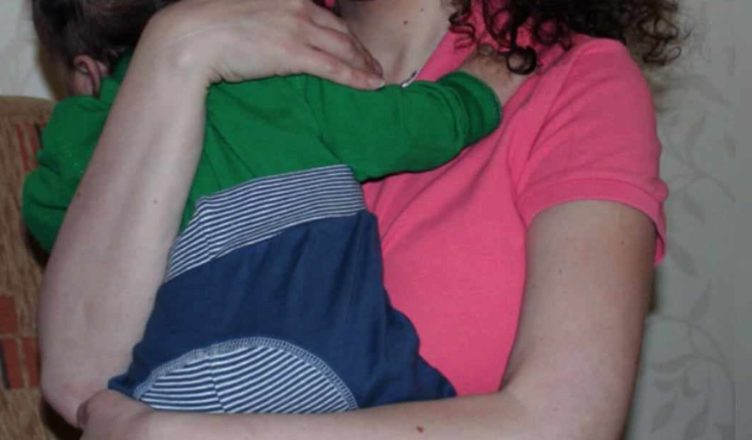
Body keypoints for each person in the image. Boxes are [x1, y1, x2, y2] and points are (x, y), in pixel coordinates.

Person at [34, 0, 679, 438]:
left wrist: (202, 433)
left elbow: (565, 421)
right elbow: (82, 384)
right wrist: (176, 50)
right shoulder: (216, 47)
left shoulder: (573, 79)